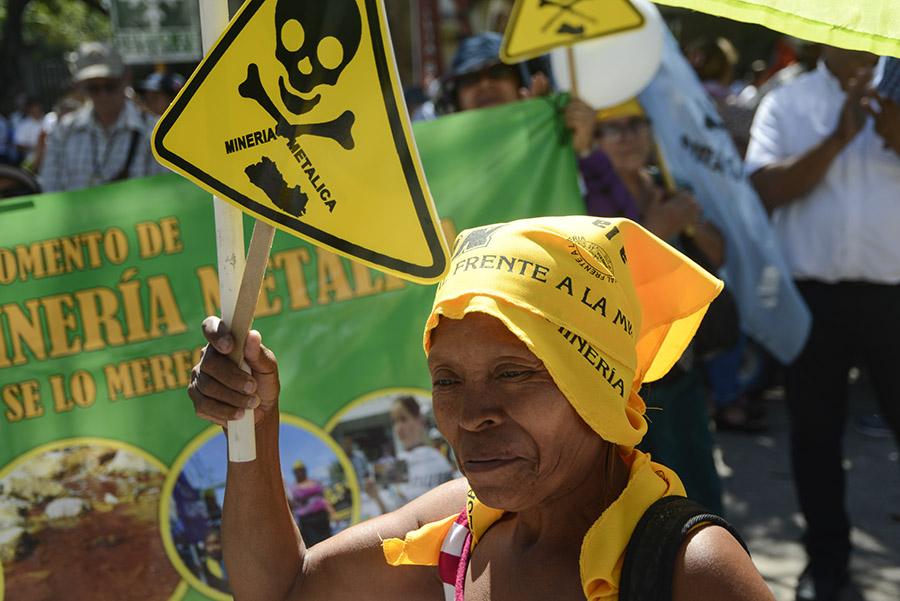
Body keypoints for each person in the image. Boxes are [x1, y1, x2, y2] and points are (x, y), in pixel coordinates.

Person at [188, 215, 776, 601]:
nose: (472, 415)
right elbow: (284, 590)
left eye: (513, 373)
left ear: (595, 386)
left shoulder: (689, 570)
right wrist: (255, 426)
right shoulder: (458, 535)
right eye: (447, 380)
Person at [745, 45, 900, 601]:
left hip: (894, 295)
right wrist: (838, 137)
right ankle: (827, 562)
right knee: (814, 436)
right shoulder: (788, 101)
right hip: (813, 298)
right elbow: (762, 189)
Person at [40, 41, 166, 192]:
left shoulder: (153, 132)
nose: (103, 95)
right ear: (80, 86)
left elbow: (162, 195)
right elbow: (51, 193)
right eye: (93, 88)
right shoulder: (64, 132)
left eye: (110, 85)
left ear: (126, 78)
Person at [286, 460, 337, 547]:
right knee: (316, 546)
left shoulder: (314, 481)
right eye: (297, 471)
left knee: (330, 542)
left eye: (301, 469)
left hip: (322, 517)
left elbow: (323, 498)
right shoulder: (293, 488)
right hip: (308, 521)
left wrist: (333, 513)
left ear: (305, 470)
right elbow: (292, 505)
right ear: (294, 473)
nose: (300, 472)